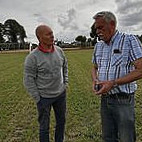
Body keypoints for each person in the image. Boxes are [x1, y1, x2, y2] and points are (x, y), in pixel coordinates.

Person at [91, 11, 142, 142]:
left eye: (100, 27)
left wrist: (113, 83)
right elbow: (94, 67)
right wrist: (95, 79)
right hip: (105, 99)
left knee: (126, 138)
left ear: (112, 24)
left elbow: (140, 69)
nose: (97, 31)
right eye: (96, 28)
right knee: (108, 137)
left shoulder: (129, 40)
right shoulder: (98, 46)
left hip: (123, 100)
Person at [23, 25, 68, 142]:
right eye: (48, 34)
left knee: (61, 122)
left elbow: (65, 67)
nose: (52, 36)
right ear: (40, 38)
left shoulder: (59, 51)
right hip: (44, 98)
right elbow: (28, 80)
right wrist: (38, 98)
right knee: (44, 127)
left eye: (52, 33)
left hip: (60, 95)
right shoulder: (32, 57)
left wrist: (65, 83)